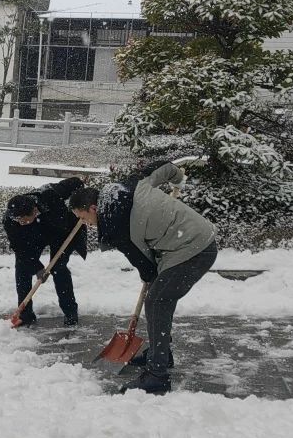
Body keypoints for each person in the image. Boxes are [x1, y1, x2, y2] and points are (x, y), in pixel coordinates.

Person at [69, 161, 218, 395]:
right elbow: (162, 167)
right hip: (193, 240)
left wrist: (150, 276)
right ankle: (162, 354)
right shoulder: (129, 186)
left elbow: (146, 266)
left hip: (192, 250)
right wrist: (177, 177)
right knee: (160, 298)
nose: (87, 225)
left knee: (157, 301)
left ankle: (157, 374)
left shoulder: (117, 227)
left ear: (94, 208)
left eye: (84, 218)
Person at [4, 177, 88, 327]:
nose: (20, 223)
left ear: (34, 211)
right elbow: (20, 249)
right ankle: (25, 315)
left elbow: (75, 183)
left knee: (58, 268)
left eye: (23, 220)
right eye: (18, 220)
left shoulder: (49, 195)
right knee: (23, 269)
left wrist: (83, 196)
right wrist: (37, 268)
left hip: (62, 233)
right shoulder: (11, 220)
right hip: (33, 239)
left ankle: (70, 313)